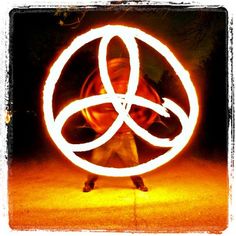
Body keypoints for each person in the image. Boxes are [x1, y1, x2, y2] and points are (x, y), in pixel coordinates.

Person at [80, 58, 162, 192]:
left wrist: (143, 115)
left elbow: (144, 105)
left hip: (125, 135)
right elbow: (95, 108)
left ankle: (138, 183)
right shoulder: (104, 92)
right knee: (96, 163)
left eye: (125, 81)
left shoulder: (132, 94)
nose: (122, 84)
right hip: (105, 136)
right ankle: (89, 183)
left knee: (133, 163)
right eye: (119, 81)